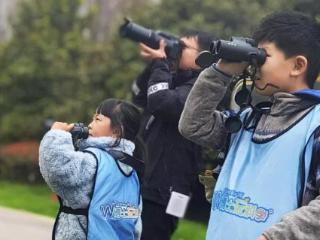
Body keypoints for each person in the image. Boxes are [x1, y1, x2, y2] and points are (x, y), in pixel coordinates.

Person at [179, 11, 320, 240]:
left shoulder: (315, 125)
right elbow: (193, 125)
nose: (255, 63)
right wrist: (219, 73)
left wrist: (273, 237)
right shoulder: (248, 119)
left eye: (264, 56)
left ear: (297, 65)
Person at [131, 30, 221, 240]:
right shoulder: (175, 78)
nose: (177, 49)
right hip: (148, 183)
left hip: (168, 192)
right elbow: (139, 96)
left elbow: (162, 103)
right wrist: (157, 63)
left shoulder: (201, 89)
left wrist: (162, 64)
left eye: (183, 46)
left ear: (203, 57)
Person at [39, 98, 144, 240]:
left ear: (116, 131)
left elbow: (57, 169)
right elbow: (134, 224)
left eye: (97, 119)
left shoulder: (94, 161)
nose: (90, 124)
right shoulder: (132, 174)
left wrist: (57, 135)